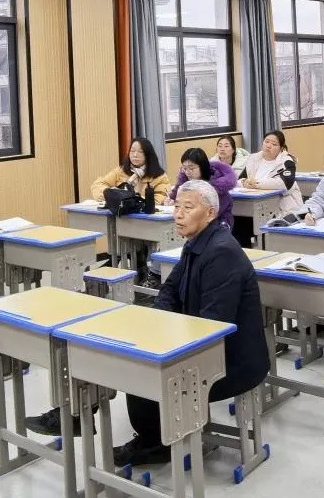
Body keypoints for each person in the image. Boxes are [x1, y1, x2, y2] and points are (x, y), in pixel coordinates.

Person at [113, 180, 270, 467]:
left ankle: (156, 443)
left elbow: (213, 324)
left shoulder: (221, 252)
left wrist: (168, 338)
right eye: (177, 206)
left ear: (210, 213)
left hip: (234, 359)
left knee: (146, 369)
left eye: (188, 207)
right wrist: (157, 322)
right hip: (209, 342)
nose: (179, 214)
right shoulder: (196, 243)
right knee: (137, 355)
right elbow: (170, 290)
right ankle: (154, 437)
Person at [237, 131, 304, 245]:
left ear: (281, 148)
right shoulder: (253, 159)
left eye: (274, 144)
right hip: (253, 205)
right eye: (266, 142)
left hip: (281, 208)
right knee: (238, 222)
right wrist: (244, 183)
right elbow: (239, 179)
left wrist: (256, 184)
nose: (268, 146)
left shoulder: (287, 162)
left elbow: (284, 184)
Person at [166, 148, 237, 229]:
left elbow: (206, 217)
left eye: (191, 168)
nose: (187, 172)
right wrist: (171, 201)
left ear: (202, 167)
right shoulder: (183, 186)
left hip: (216, 228)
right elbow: (174, 199)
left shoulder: (218, 190)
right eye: (184, 168)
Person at [91, 137, 170, 205]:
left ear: (148, 155)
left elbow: (157, 201)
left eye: (140, 151)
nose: (135, 155)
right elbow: (98, 185)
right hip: (121, 213)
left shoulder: (160, 177)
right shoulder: (121, 171)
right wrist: (111, 194)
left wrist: (130, 198)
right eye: (132, 151)